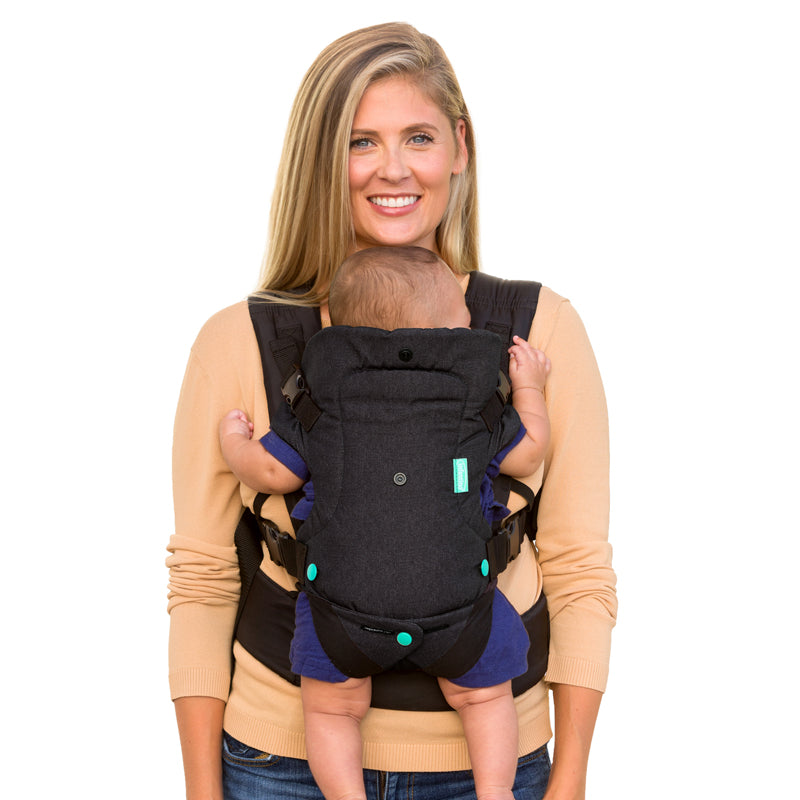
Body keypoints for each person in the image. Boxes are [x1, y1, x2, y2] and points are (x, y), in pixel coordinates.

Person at [167, 21, 616, 800]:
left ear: (460, 148)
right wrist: (202, 793)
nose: (394, 169)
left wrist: (571, 776)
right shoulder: (239, 340)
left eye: (419, 137)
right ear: (320, 160)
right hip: (281, 763)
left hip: (492, 768)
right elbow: (204, 580)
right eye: (360, 142)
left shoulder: (535, 330)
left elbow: (578, 566)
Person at [219, 245, 552, 800]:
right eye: (463, 317)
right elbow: (530, 452)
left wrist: (234, 442)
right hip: (460, 604)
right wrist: (531, 388)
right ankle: (496, 792)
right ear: (446, 332)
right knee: (485, 697)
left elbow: (272, 472)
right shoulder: (475, 398)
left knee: (330, 709)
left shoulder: (323, 397)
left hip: (340, 612)